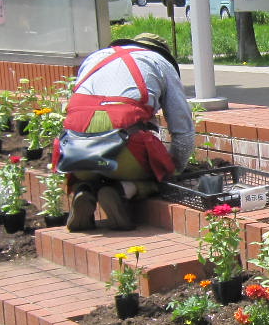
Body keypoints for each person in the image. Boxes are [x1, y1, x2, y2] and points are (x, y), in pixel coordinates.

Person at [55, 32, 195, 231]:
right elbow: (183, 131)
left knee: (93, 167)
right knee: (159, 176)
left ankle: (84, 190)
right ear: (162, 52)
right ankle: (121, 190)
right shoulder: (161, 63)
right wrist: (174, 170)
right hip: (124, 149)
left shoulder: (95, 58)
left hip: (74, 151)